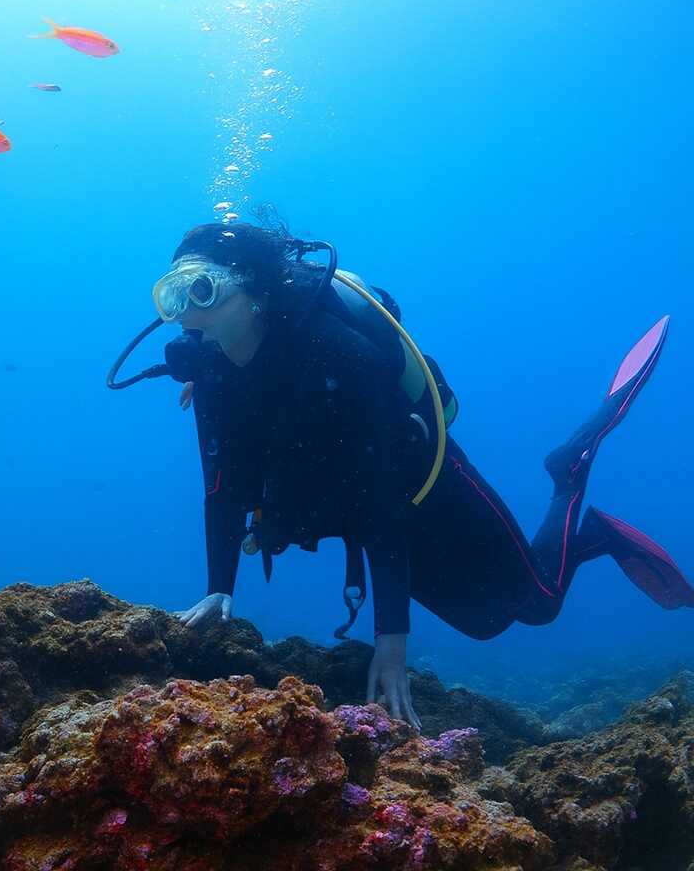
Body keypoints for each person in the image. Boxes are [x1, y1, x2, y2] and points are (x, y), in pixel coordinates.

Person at [112, 221, 693, 728]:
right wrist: (220, 587)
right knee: (485, 623)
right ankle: (579, 516)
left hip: (427, 489)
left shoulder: (340, 353)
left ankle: (572, 480)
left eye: (203, 289)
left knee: (538, 604)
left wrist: (390, 642)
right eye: (173, 295)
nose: (185, 315)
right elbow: (221, 487)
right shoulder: (211, 373)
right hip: (362, 516)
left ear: (257, 292)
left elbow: (379, 495)